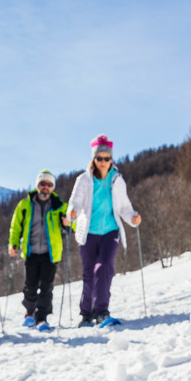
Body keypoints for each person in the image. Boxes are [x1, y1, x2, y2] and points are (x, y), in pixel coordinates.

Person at [64, 135, 141, 327]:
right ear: (94, 160)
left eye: (107, 158)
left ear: (111, 160)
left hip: (110, 231)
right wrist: (72, 211)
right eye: (100, 158)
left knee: (104, 267)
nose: (103, 162)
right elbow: (75, 201)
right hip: (88, 232)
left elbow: (124, 206)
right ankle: (86, 315)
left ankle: (102, 312)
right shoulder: (84, 180)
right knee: (89, 272)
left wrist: (132, 217)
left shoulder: (117, 180)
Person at [7, 169, 65, 331]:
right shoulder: (25, 205)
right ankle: (29, 313)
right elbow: (15, 226)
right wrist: (13, 244)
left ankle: (42, 318)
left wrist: (69, 221)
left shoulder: (59, 205)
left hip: (51, 253)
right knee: (30, 286)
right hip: (31, 252)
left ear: (52, 187)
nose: (45, 187)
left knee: (47, 287)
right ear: (37, 185)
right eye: (42, 183)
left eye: (49, 184)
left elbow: (72, 223)